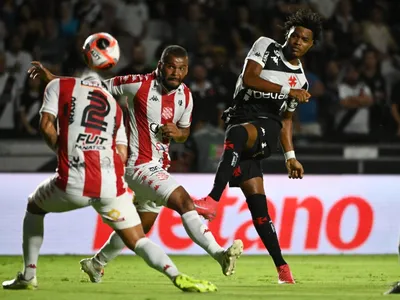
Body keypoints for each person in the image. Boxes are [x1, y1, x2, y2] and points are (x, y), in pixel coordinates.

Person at [28, 45, 243, 283]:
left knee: (141, 226)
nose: (176, 72)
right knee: (184, 201)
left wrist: (177, 132)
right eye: (171, 66)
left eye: (182, 68)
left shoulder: (186, 95)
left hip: (158, 165)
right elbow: (93, 86)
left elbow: (185, 132)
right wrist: (52, 78)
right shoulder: (137, 83)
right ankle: (220, 254)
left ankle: (95, 264)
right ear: (160, 65)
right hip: (136, 164)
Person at [2, 75, 217, 293]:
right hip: (110, 186)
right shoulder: (115, 109)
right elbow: (122, 153)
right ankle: (176, 275)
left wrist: (64, 152)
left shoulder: (66, 92)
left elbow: (46, 125)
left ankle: (29, 275)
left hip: (74, 180)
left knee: (34, 207)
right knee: (138, 240)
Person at [193, 9, 323, 284]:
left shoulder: (300, 80)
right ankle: (283, 270)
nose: (298, 41)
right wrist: (288, 92)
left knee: (238, 135)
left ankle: (212, 200)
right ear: (287, 35)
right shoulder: (265, 46)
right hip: (241, 118)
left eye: (305, 39)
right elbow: (250, 78)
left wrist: (291, 156)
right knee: (259, 210)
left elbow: (286, 119)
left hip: (267, 125)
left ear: (311, 45)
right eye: (295, 35)